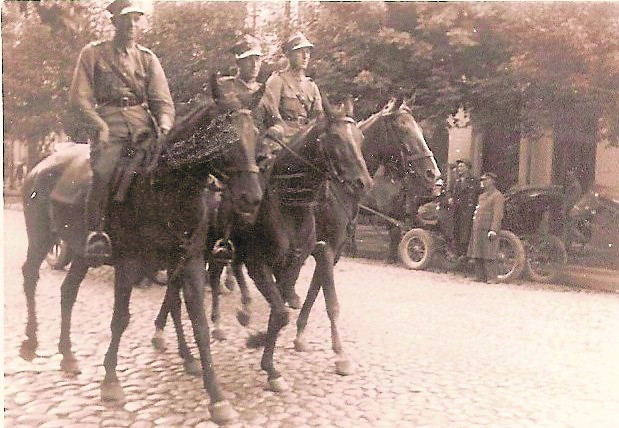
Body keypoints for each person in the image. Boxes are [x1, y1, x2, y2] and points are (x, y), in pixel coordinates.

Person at [69, 0, 175, 259]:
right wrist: (99, 125)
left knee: (171, 168)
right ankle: (96, 234)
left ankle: (168, 231)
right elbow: (79, 98)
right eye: (126, 18)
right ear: (114, 21)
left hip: (143, 125)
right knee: (104, 170)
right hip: (110, 122)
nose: (131, 24)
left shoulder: (148, 59)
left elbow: (162, 101)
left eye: (137, 18)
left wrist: (164, 125)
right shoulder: (93, 53)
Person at [257, 31, 324, 159]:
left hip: (306, 135)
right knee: (268, 158)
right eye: (300, 51)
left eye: (308, 52)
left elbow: (318, 116)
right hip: (283, 136)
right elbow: (272, 114)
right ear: (289, 55)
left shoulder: (311, 85)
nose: (305, 56)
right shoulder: (277, 80)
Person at [467, 172, 505, 283]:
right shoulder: (482, 196)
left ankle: (492, 277)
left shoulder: (497, 196)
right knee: (477, 252)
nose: (483, 182)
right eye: (482, 180)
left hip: (488, 228)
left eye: (486, 180)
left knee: (489, 253)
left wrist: (494, 229)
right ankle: (480, 276)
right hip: (478, 227)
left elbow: (497, 214)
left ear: (493, 181)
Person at [217, 34, 263, 109]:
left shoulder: (264, 90)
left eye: (257, 59)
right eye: (248, 59)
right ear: (238, 62)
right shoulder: (224, 86)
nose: (254, 65)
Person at [448, 159, 481, 258]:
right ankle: (457, 254)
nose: (459, 169)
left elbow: (478, 194)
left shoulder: (474, 181)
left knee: (466, 233)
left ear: (467, 168)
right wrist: (449, 198)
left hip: (468, 210)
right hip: (457, 209)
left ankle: (465, 254)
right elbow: (449, 191)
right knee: (456, 231)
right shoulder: (456, 181)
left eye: (462, 166)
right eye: (458, 167)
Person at [562, 169, 583, 249]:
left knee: (570, 227)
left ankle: (581, 239)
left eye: (569, 176)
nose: (568, 178)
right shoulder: (573, 185)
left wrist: (565, 208)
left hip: (571, 210)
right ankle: (568, 245)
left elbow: (571, 199)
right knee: (569, 227)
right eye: (567, 176)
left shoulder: (575, 186)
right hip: (571, 209)